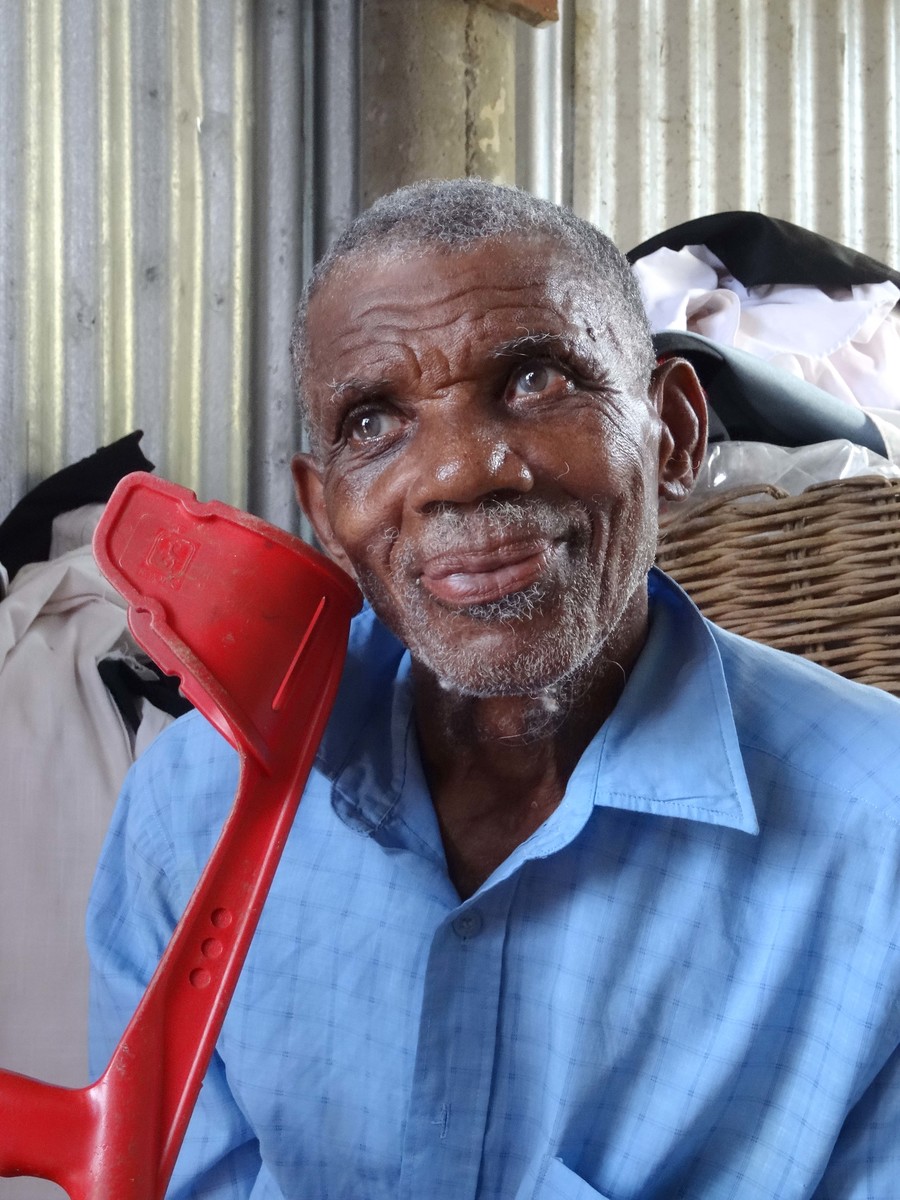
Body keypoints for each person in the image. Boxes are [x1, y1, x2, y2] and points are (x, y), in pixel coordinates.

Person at [88, 179, 900, 1200]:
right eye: (374, 422)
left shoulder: (880, 833)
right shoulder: (189, 812)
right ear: (326, 511)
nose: (459, 473)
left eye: (535, 380)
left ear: (674, 434)